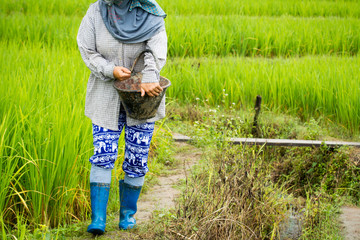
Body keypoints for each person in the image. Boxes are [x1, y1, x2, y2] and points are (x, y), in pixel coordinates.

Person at [77, 0, 167, 235]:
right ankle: (98, 219)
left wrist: (149, 75)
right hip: (106, 94)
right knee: (102, 153)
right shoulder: (97, 10)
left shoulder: (149, 10)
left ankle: (127, 216)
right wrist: (110, 70)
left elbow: (157, 50)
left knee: (137, 157)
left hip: (142, 95)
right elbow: (87, 48)